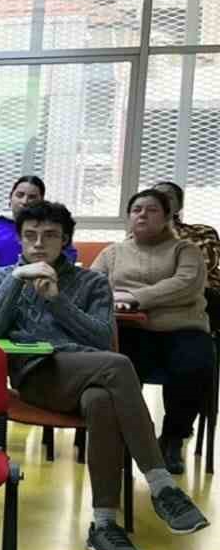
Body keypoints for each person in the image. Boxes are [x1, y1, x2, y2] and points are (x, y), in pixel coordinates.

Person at [0, 200, 206, 550]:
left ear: (65, 240)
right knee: (118, 366)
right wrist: (18, 281)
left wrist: (57, 300)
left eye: (49, 236)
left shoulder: (91, 282)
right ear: (19, 240)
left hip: (90, 372)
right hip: (37, 376)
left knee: (101, 400)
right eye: (30, 236)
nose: (38, 244)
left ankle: (103, 525)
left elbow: (100, 338)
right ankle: (161, 484)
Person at [92, 187, 214, 474]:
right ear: (128, 217)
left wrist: (133, 297)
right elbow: (93, 285)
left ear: (169, 216)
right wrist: (116, 300)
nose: (143, 214)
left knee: (194, 367)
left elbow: (186, 285)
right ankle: (130, 435)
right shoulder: (113, 252)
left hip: (182, 328)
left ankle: (173, 438)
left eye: (152, 209)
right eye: (137, 210)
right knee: (114, 368)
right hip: (129, 329)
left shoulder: (186, 250)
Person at [153, 180, 220, 319]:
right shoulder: (137, 237)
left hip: (204, 292)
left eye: (169, 197)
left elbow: (204, 265)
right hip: (160, 295)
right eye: (157, 197)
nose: (162, 200)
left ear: (179, 206)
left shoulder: (202, 232)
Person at [0, 175, 46, 269]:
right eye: (20, 195)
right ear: (10, 198)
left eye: (32, 197)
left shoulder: (51, 232)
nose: (25, 201)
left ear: (42, 201)